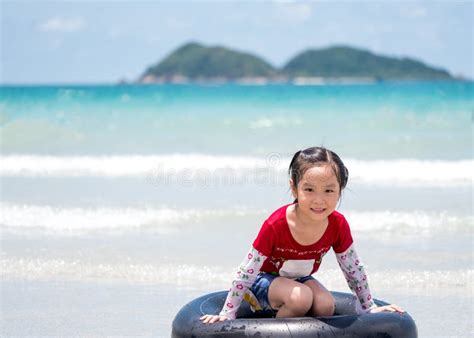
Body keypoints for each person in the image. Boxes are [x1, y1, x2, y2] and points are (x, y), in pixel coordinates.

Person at [201, 147, 404, 324]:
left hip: (298, 279)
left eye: (328, 190)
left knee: (325, 304)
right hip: (261, 281)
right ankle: (273, 329)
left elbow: (352, 268)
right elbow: (247, 270)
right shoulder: (277, 224)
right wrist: (228, 313)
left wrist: (369, 307)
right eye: (309, 189)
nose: (319, 200)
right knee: (301, 299)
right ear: (294, 188)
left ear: (340, 191)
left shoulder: (337, 224)